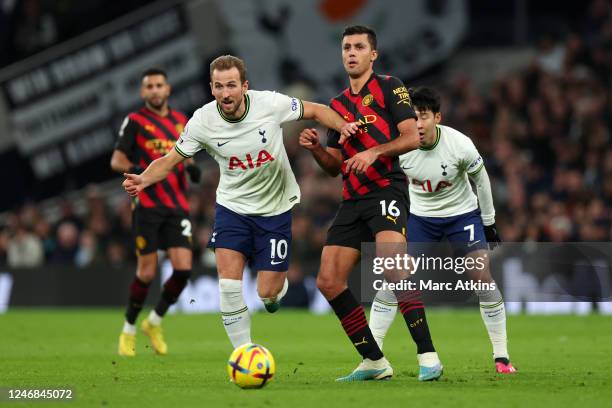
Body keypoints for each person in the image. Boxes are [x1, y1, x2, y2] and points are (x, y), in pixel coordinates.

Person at [122, 55, 359, 350]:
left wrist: (345, 126)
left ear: (244, 86)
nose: (225, 93)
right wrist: (144, 179)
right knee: (229, 285)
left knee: (268, 293)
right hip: (232, 208)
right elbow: (171, 160)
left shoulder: (269, 104)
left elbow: (316, 110)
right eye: (219, 86)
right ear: (211, 88)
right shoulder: (203, 121)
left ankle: (275, 292)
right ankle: (243, 354)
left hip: (274, 209)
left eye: (231, 85)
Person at [299, 25, 442, 382]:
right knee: (328, 280)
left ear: (372, 55)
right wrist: (317, 148)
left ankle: (428, 356)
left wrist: (374, 151)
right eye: (346, 47)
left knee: (393, 266)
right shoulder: (337, 107)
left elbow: (412, 137)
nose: (351, 52)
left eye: (359, 47)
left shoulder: (391, 86)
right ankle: (374, 361)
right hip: (353, 199)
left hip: (386, 190)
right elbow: (334, 167)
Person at [369, 86, 516, 374]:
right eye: (413, 117)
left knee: (481, 277)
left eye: (423, 117)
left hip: (462, 216)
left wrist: (489, 223)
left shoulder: (459, 145)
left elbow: (482, 182)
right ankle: (372, 355)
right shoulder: (400, 148)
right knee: (393, 277)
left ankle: (502, 357)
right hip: (421, 218)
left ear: (437, 117)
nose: (418, 124)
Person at [111, 68, 202, 357]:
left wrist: (192, 168)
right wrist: (139, 171)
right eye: (148, 86)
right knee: (147, 273)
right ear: (142, 92)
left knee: (184, 269)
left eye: (158, 85)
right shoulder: (136, 121)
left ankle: (155, 321)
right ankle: (128, 329)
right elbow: (117, 160)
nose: (154, 90)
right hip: (148, 205)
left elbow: (186, 155)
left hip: (177, 205)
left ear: (168, 89)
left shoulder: (181, 121)